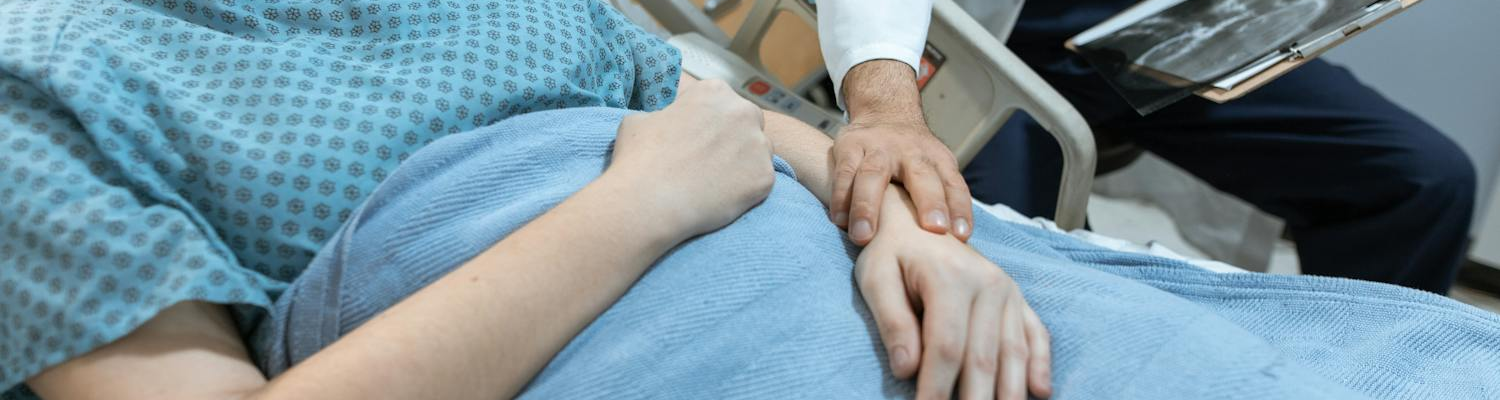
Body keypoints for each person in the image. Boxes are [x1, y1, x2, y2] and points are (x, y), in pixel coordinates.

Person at [0, 1, 1048, 399]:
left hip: (892, 290)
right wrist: (637, 207)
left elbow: (711, 115)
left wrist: (903, 225)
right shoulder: (41, 86)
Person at [819, 0, 1476, 294]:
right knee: (1007, 249)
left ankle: (1342, 371)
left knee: (1423, 180)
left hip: (1150, 21)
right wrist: (884, 106)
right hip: (960, 25)